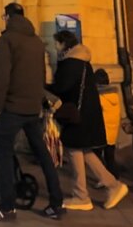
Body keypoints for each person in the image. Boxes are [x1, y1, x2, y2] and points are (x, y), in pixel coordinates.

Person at [0, 3, 65, 222]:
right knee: (42, 153)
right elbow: (41, 76)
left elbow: (1, 76)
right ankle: (56, 203)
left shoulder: (7, 39)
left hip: (12, 106)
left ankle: (7, 206)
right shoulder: (36, 41)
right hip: (32, 107)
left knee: (4, 153)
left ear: (8, 17)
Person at [50, 30, 128, 212]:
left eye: (56, 43)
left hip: (76, 115)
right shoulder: (83, 62)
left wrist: (44, 87)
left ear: (63, 43)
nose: (54, 47)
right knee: (82, 151)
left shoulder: (70, 63)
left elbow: (62, 87)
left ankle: (82, 195)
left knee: (74, 149)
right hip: (86, 113)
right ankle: (111, 185)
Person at [94, 68, 121, 177]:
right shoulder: (114, 95)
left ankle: (104, 178)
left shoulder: (100, 97)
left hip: (101, 131)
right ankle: (114, 176)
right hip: (112, 132)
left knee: (96, 157)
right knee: (110, 157)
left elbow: (96, 113)